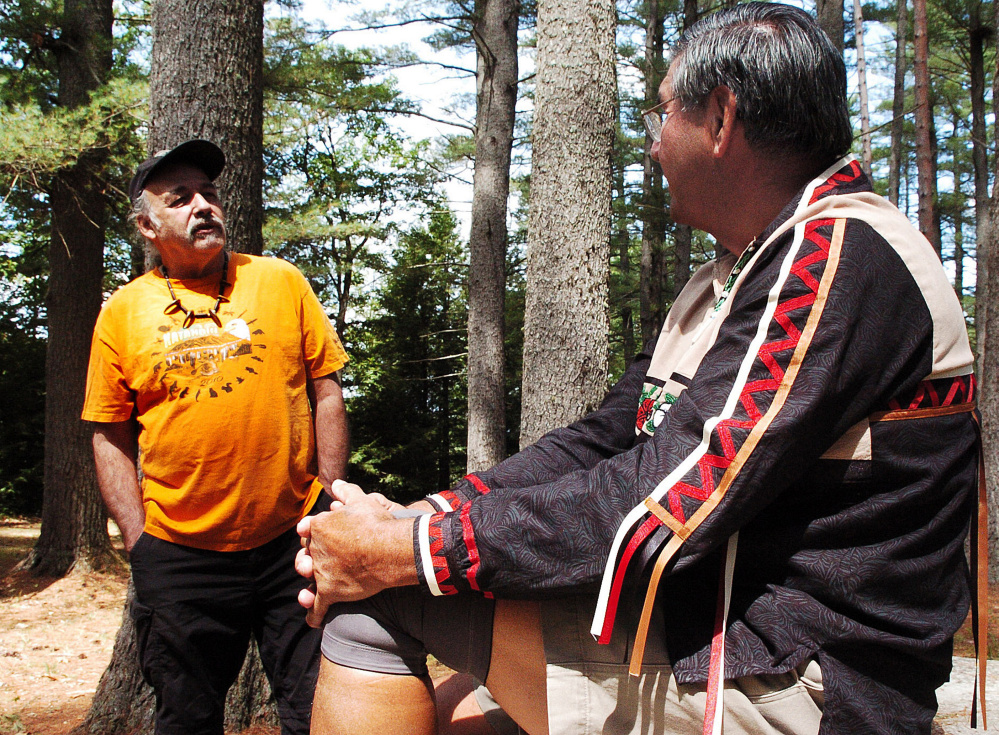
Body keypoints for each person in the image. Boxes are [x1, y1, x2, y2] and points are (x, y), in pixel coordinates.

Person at [295, 5, 980, 734]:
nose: (653, 149)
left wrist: (408, 551)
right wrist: (422, 514)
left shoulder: (838, 255)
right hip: (719, 632)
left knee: (377, 598)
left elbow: (672, 487)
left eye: (662, 118)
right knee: (463, 701)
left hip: (807, 681)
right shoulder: (741, 269)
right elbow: (605, 439)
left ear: (720, 119)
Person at [82, 139, 350, 735]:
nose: (204, 205)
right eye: (181, 198)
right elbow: (108, 433)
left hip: (291, 546)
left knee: (315, 712)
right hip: (180, 557)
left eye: (210, 194)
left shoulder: (280, 281)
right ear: (148, 227)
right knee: (187, 717)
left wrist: (327, 497)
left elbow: (326, 391)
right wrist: (138, 540)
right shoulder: (123, 312)